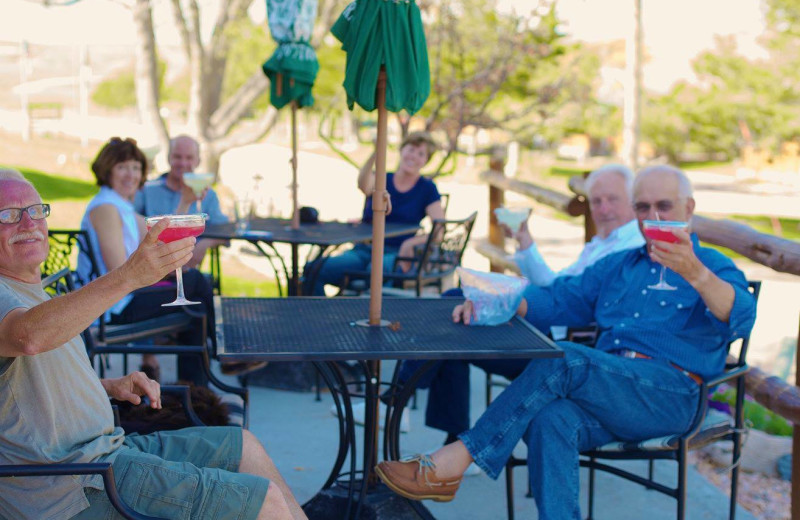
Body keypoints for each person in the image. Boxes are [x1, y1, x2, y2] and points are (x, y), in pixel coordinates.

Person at [375, 165, 757, 519]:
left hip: (671, 395)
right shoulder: (618, 265)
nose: (653, 218)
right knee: (550, 417)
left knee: (566, 358)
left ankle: (458, 458)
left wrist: (696, 274)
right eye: (643, 207)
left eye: (664, 206)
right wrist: (495, 302)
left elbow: (742, 316)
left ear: (688, 208)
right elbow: (558, 299)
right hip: (611, 394)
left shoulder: (715, 266)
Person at [0, 169, 307, 520]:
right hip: (73, 487)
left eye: (36, 211)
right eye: (8, 215)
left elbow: (25, 392)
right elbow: (27, 337)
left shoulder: (38, 293)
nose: (28, 223)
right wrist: (129, 276)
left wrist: (106, 387)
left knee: (244, 448)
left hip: (109, 453)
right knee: (264, 502)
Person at [377, 164, 645, 446]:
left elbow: (571, 303)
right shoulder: (602, 243)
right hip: (550, 328)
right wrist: (523, 239)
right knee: (457, 318)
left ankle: (397, 402)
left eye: (612, 199)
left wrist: (509, 298)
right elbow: (552, 286)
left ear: (632, 202)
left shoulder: (629, 248)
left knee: (456, 307)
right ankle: (448, 439)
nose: (603, 209)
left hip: (566, 350)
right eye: (596, 201)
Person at [77, 137, 217, 385]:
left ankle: (194, 388)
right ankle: (218, 356)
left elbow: (165, 232)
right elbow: (119, 271)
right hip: (112, 306)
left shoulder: (121, 207)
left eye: (135, 167)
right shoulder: (106, 208)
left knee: (195, 301)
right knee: (195, 283)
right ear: (107, 169)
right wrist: (162, 272)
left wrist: (185, 199)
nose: (130, 174)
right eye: (122, 167)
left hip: (122, 298)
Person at [303, 131, 446, 296]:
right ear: (401, 150)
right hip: (364, 249)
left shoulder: (427, 188)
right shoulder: (382, 179)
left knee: (376, 271)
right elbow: (363, 185)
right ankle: (319, 316)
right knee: (314, 269)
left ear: (425, 161)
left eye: (421, 153)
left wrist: (411, 243)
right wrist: (376, 152)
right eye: (411, 149)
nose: (414, 156)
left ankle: (362, 311)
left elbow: (439, 231)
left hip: (394, 253)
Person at [134, 134, 228, 268]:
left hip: (188, 269)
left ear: (198, 161)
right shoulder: (147, 189)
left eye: (189, 158)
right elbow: (128, 223)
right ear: (168, 158)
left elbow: (225, 229)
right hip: (153, 270)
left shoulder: (208, 194)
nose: (183, 163)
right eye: (177, 157)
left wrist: (204, 243)